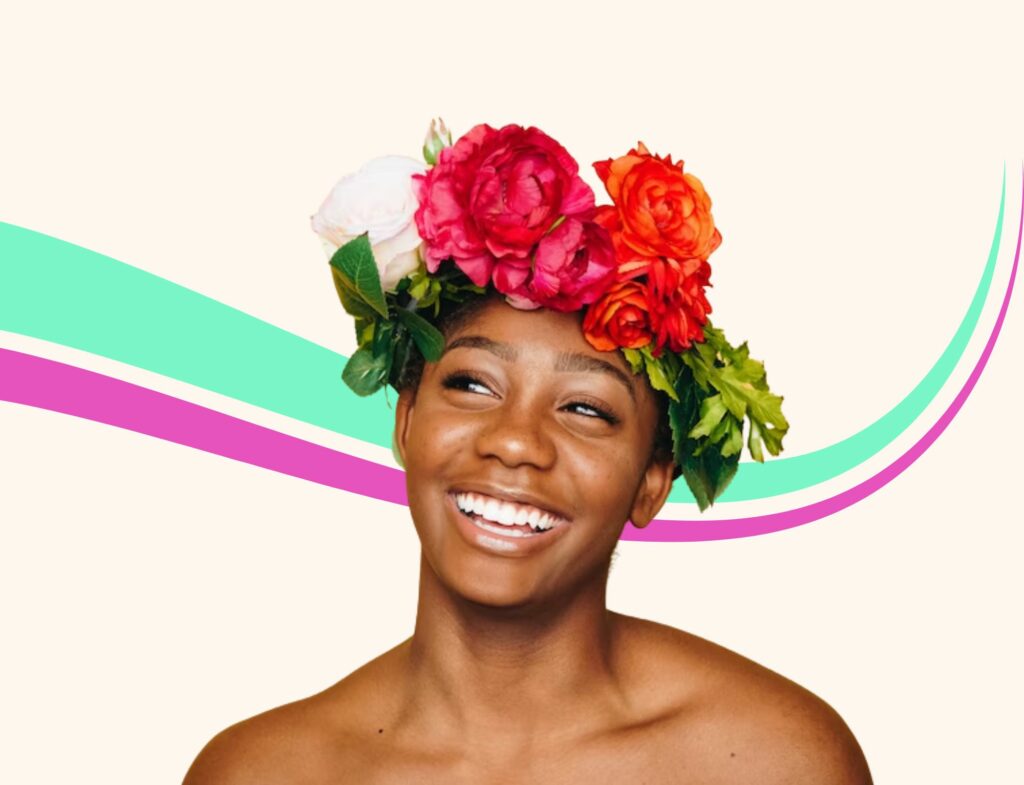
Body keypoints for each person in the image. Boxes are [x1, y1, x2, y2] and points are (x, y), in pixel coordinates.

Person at [183, 122, 872, 784]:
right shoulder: (257, 772)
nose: (515, 440)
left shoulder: (772, 760)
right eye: (473, 383)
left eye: (584, 408)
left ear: (653, 481)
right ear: (407, 417)